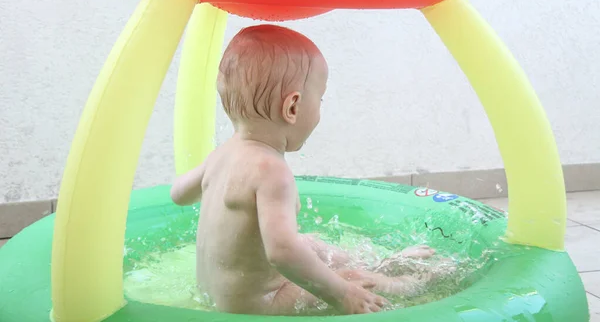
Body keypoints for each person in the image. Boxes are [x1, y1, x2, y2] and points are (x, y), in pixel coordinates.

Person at [170, 25, 441, 315]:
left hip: (217, 296)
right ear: (293, 107)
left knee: (307, 243)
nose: (321, 107)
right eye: (320, 98)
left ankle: (378, 264)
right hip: (260, 305)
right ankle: (414, 283)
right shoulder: (272, 171)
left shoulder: (222, 154)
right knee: (349, 279)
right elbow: (282, 252)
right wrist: (341, 294)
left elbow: (178, 194)